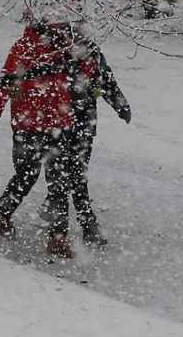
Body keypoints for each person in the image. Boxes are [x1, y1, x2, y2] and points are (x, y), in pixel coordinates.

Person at [0, 9, 85, 258]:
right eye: (58, 24)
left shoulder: (67, 48)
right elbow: (3, 86)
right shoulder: (23, 48)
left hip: (59, 125)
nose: (62, 29)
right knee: (27, 175)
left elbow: (85, 75)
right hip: (28, 127)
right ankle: (3, 209)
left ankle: (58, 237)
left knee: (59, 182)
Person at [46, 28, 131, 248]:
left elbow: (106, 81)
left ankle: (83, 227)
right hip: (56, 124)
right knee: (59, 179)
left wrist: (119, 104)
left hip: (82, 125)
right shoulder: (51, 51)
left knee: (76, 177)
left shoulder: (91, 52)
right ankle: (62, 232)